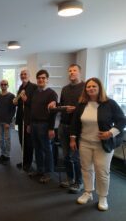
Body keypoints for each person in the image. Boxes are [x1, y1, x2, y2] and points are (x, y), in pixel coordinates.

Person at [70, 77, 126, 211]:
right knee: (86, 169)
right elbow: (75, 123)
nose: (91, 89)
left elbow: (122, 120)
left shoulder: (109, 103)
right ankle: (88, 192)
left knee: (102, 171)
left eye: (94, 86)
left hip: (103, 144)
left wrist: (110, 132)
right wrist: (72, 139)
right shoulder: (82, 104)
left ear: (99, 88)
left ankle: (102, 197)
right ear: (85, 89)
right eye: (88, 87)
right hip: (85, 143)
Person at [48, 64, 85, 193]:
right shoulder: (64, 89)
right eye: (69, 71)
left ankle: (79, 182)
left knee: (76, 158)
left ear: (80, 72)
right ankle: (70, 179)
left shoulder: (86, 88)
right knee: (66, 156)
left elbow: (88, 108)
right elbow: (62, 106)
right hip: (63, 126)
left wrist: (75, 110)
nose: (71, 73)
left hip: (78, 129)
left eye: (74, 70)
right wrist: (55, 104)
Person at [29, 70, 58, 183]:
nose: (41, 80)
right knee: (37, 149)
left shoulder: (51, 93)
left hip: (45, 125)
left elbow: (53, 112)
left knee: (47, 150)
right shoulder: (35, 92)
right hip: (34, 124)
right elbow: (32, 109)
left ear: (47, 79)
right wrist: (30, 124)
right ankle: (40, 170)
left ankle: (48, 173)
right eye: (39, 78)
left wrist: (51, 128)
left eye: (43, 78)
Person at [13, 67, 37, 171]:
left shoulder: (34, 87)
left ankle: (29, 163)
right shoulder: (20, 87)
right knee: (21, 141)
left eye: (25, 74)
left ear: (29, 75)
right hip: (19, 119)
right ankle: (24, 161)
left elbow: (35, 104)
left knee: (28, 142)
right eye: (22, 74)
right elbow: (20, 102)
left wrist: (26, 100)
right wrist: (16, 101)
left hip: (28, 120)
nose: (23, 76)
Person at [0, 80, 16, 164]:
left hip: (7, 122)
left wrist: (8, 122)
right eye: (1, 84)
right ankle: (3, 154)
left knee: (7, 139)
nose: (3, 86)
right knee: (0, 140)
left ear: (8, 85)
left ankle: (7, 156)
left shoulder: (11, 96)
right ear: (0, 85)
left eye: (5, 84)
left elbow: (13, 110)